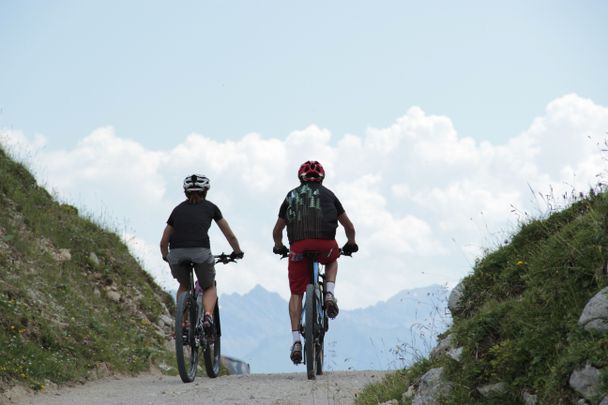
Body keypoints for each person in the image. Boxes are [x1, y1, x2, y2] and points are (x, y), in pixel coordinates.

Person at [272, 160, 358, 364]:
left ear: (300, 177)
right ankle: (329, 293)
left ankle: (296, 342)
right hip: (325, 246)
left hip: (298, 248)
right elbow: (349, 227)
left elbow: (277, 231)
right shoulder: (330, 195)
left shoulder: (290, 196)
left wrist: (279, 246)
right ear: (322, 178)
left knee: (296, 293)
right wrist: (351, 243)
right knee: (333, 259)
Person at [160, 174, 243, 336]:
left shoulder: (176, 210)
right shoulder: (211, 207)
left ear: (185, 193)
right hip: (201, 252)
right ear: (206, 191)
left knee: (184, 286)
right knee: (209, 286)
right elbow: (229, 235)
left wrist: (166, 257)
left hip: (176, 254)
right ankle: (208, 317)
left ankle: (182, 324)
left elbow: (164, 241)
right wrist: (237, 252)